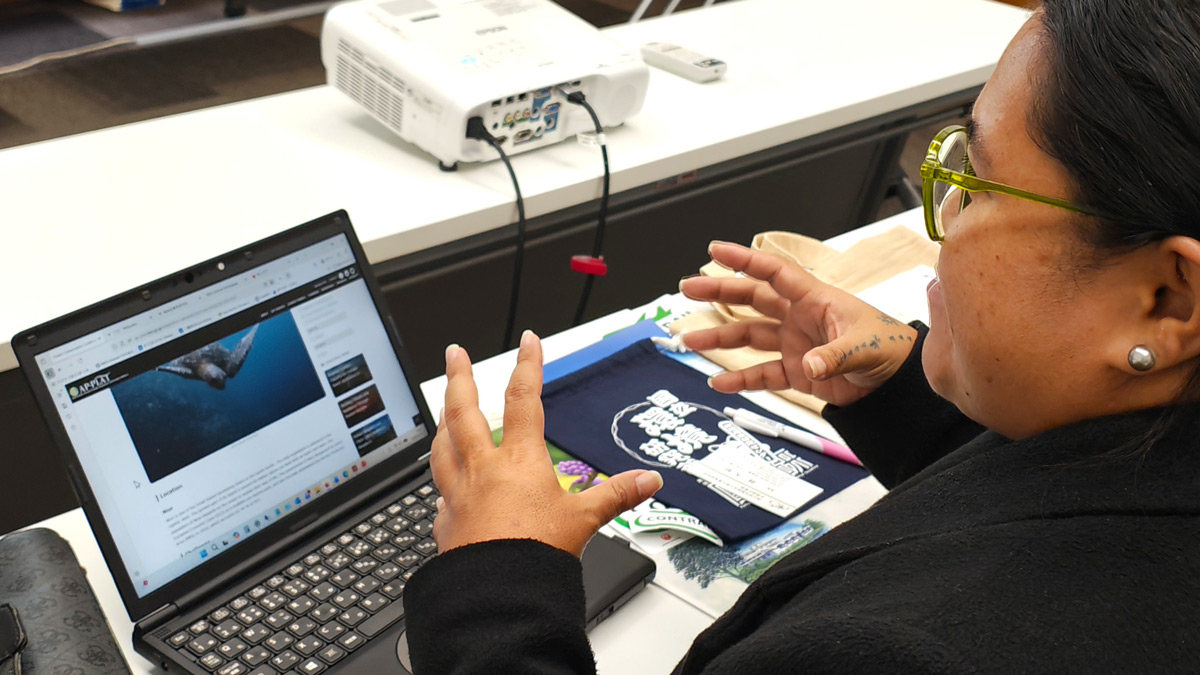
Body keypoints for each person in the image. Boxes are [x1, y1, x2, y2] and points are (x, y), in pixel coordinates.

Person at [403, 0, 1200, 671]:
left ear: (1168, 299)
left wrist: (497, 583)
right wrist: (908, 394)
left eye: (980, 182)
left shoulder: (902, 651)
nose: (947, 219)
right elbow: (1059, 485)